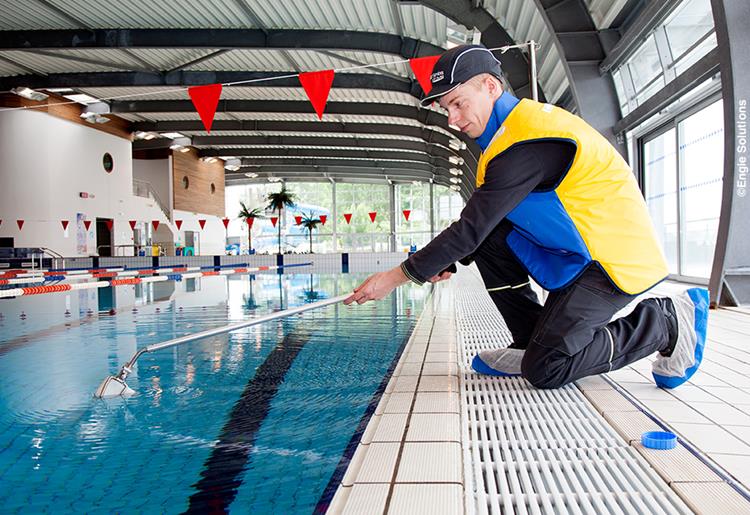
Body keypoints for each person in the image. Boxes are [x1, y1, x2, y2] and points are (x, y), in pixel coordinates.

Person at [343, 44, 708, 390]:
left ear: (490, 86)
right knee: (485, 243)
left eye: (458, 104)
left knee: (546, 369)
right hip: (576, 250)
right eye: (446, 109)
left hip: (612, 259)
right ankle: (529, 340)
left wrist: (396, 276)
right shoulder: (503, 142)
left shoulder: (528, 140)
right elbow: (483, 225)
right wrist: (449, 260)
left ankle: (664, 321)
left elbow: (469, 227)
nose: (452, 119)